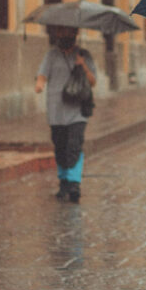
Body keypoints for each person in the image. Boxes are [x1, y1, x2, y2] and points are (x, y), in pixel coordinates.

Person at [34, 25, 97, 203]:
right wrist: (39, 84)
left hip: (77, 110)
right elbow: (42, 73)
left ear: (75, 33)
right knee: (60, 146)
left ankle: (74, 183)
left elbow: (93, 81)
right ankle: (64, 181)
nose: (64, 35)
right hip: (56, 110)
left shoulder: (84, 54)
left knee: (74, 144)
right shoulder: (51, 54)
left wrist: (82, 65)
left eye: (68, 32)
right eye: (61, 32)